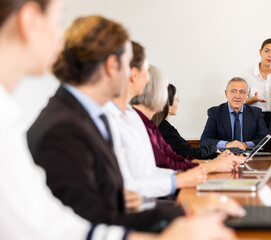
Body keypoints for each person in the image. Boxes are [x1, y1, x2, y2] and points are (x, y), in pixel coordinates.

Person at [0, 0, 237, 239]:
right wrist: (178, 218)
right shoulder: (63, 127)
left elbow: (81, 214)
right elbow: (71, 222)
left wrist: (179, 211)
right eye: (57, 21)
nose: (133, 76)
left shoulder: (85, 118)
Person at [26, 15, 190, 232]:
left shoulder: (87, 116)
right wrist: (182, 214)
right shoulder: (64, 128)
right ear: (113, 65)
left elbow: (109, 199)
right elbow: (90, 219)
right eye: (127, 63)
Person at [104, 42, 207, 198]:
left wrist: (190, 174)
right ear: (133, 74)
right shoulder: (119, 118)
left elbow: (152, 170)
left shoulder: (132, 116)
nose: (147, 79)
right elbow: (130, 185)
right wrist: (180, 179)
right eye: (146, 71)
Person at [131, 66, 245, 173]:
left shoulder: (152, 127)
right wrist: (213, 165)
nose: (165, 97)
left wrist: (215, 162)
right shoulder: (147, 126)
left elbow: (175, 161)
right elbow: (171, 165)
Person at [200, 77, 269, 150]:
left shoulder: (256, 113)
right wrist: (227, 144)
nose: (237, 96)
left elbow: (266, 139)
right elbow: (205, 141)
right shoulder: (215, 112)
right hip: (224, 157)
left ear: (246, 95)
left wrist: (246, 145)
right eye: (233, 91)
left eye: (242, 92)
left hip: (247, 156)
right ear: (226, 93)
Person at [153, 84, 217, 159]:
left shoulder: (162, 126)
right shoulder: (164, 129)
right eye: (176, 99)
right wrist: (214, 148)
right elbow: (193, 154)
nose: (179, 101)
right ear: (168, 105)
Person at [245, 38, 271, 128]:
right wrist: (254, 99)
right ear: (260, 52)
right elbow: (241, 101)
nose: (270, 55)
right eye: (267, 51)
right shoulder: (248, 73)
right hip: (255, 118)